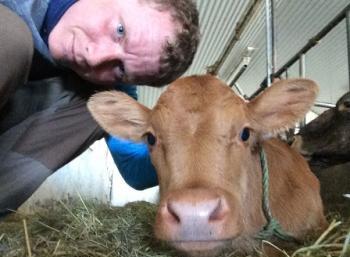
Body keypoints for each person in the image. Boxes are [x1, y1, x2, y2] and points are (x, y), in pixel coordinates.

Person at [0, 0, 199, 215]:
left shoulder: (102, 84)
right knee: (11, 38)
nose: (94, 57)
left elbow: (134, 170)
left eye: (120, 69)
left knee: (99, 106)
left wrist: (190, 151)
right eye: (119, 30)